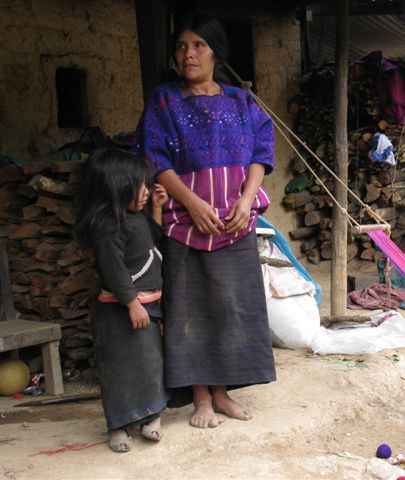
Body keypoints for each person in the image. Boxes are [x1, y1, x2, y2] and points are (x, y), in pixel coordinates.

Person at [134, 12, 276, 429]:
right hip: (184, 221)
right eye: (182, 46)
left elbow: (261, 153)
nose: (189, 53)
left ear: (216, 52)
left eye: (199, 45)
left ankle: (223, 393)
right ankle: (200, 397)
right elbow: (154, 158)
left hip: (235, 222)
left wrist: (247, 201)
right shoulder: (164, 100)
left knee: (231, 307)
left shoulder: (241, 100)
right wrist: (192, 203)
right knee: (188, 309)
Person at [74, 148, 170, 452]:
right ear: (117, 187)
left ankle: (152, 415)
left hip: (146, 305)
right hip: (119, 312)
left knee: (150, 363)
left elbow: (150, 241)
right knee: (120, 369)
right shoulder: (107, 226)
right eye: (141, 186)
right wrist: (131, 303)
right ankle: (118, 425)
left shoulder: (134, 216)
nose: (146, 191)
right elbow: (113, 269)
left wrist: (155, 209)